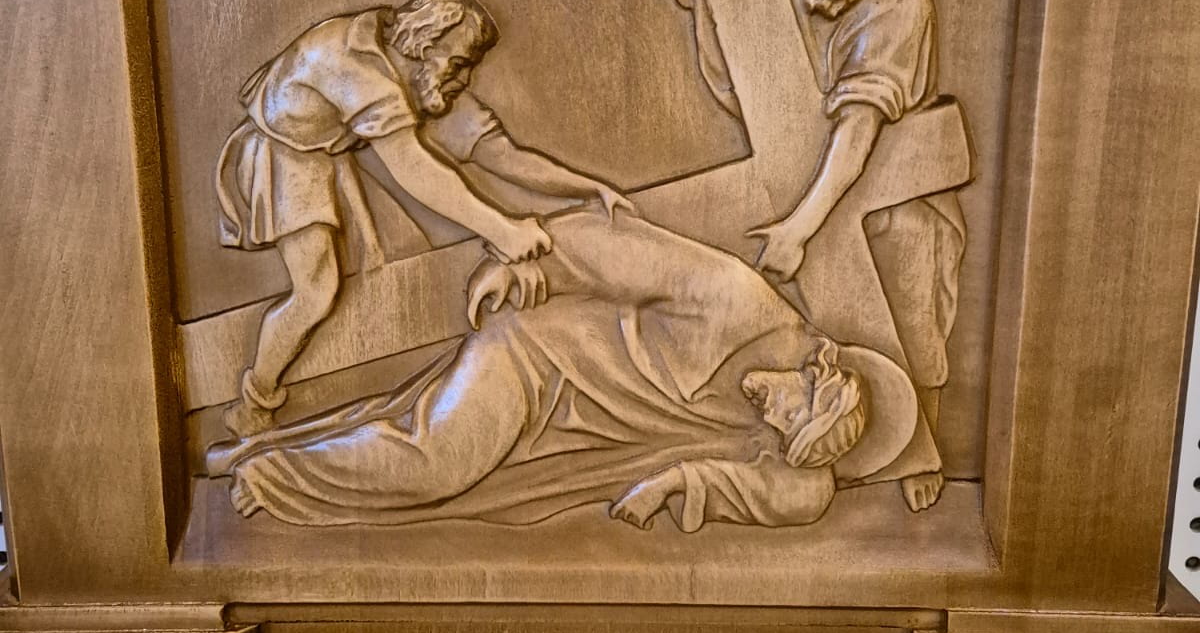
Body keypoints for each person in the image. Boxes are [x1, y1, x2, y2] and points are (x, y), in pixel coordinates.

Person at [206, 208, 920, 532]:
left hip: (557, 439)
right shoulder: (738, 302)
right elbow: (619, 248)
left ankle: (278, 459)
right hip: (533, 361)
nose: (771, 416)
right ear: (819, 369)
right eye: (792, 409)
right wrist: (521, 265)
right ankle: (273, 477)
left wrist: (674, 482)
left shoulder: (777, 437)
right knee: (438, 461)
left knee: (439, 468)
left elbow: (801, 495)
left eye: (784, 431)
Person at [667, 0, 965, 512]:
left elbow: (858, 131)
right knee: (813, 320)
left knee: (911, 315)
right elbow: (723, 35)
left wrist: (801, 227)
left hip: (889, 188)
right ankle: (822, 438)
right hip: (788, 172)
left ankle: (919, 447)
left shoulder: (902, 4)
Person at [215, 0, 628, 438]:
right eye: (461, 62)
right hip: (285, 156)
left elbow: (497, 153)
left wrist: (587, 188)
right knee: (316, 289)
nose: (465, 78)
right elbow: (415, 170)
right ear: (428, 44)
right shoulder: (360, 67)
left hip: (331, 157)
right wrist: (502, 230)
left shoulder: (420, 73)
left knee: (392, 257)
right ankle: (254, 403)